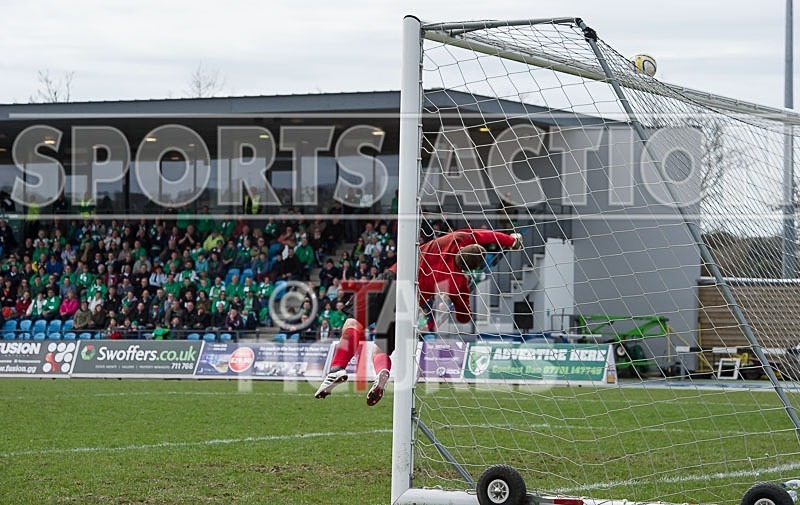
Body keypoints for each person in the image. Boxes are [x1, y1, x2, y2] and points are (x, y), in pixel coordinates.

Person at [314, 229, 522, 405]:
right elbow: (464, 317)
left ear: (465, 246)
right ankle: (381, 375)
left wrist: (511, 240)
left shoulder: (452, 241)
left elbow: (483, 235)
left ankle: (338, 367)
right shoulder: (459, 282)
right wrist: (458, 300)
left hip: (392, 278)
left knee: (353, 323)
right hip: (408, 303)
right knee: (381, 346)